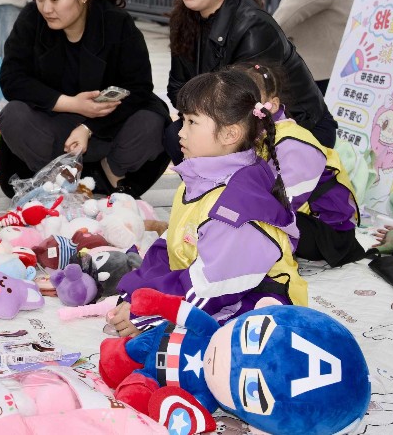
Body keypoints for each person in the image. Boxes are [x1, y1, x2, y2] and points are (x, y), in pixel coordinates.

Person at [107, 70, 307, 337]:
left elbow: (212, 288)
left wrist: (149, 313)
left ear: (229, 134)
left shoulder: (238, 206)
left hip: (263, 312)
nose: (180, 132)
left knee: (177, 351)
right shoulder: (198, 178)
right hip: (209, 290)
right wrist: (135, 294)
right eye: (182, 119)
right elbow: (170, 247)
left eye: (192, 122)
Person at [0, 0, 169, 197]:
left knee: (152, 121)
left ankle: (111, 174)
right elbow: (11, 79)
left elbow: (139, 86)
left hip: (109, 127)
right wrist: (71, 104)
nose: (46, 8)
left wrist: (89, 127)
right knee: (14, 115)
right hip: (53, 128)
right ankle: (54, 177)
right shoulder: (31, 19)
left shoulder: (116, 23)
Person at [165, 0, 336, 165]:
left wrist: (199, 116)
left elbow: (249, 107)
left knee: (199, 139)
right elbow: (177, 87)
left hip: (296, 127)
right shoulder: (183, 20)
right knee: (176, 135)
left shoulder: (253, 27)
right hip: (225, 119)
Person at [232, 62, 365, 267]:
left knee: (249, 220)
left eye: (248, 103)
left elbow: (283, 205)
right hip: (299, 218)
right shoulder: (257, 133)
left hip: (330, 236)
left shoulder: (292, 142)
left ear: (273, 104)